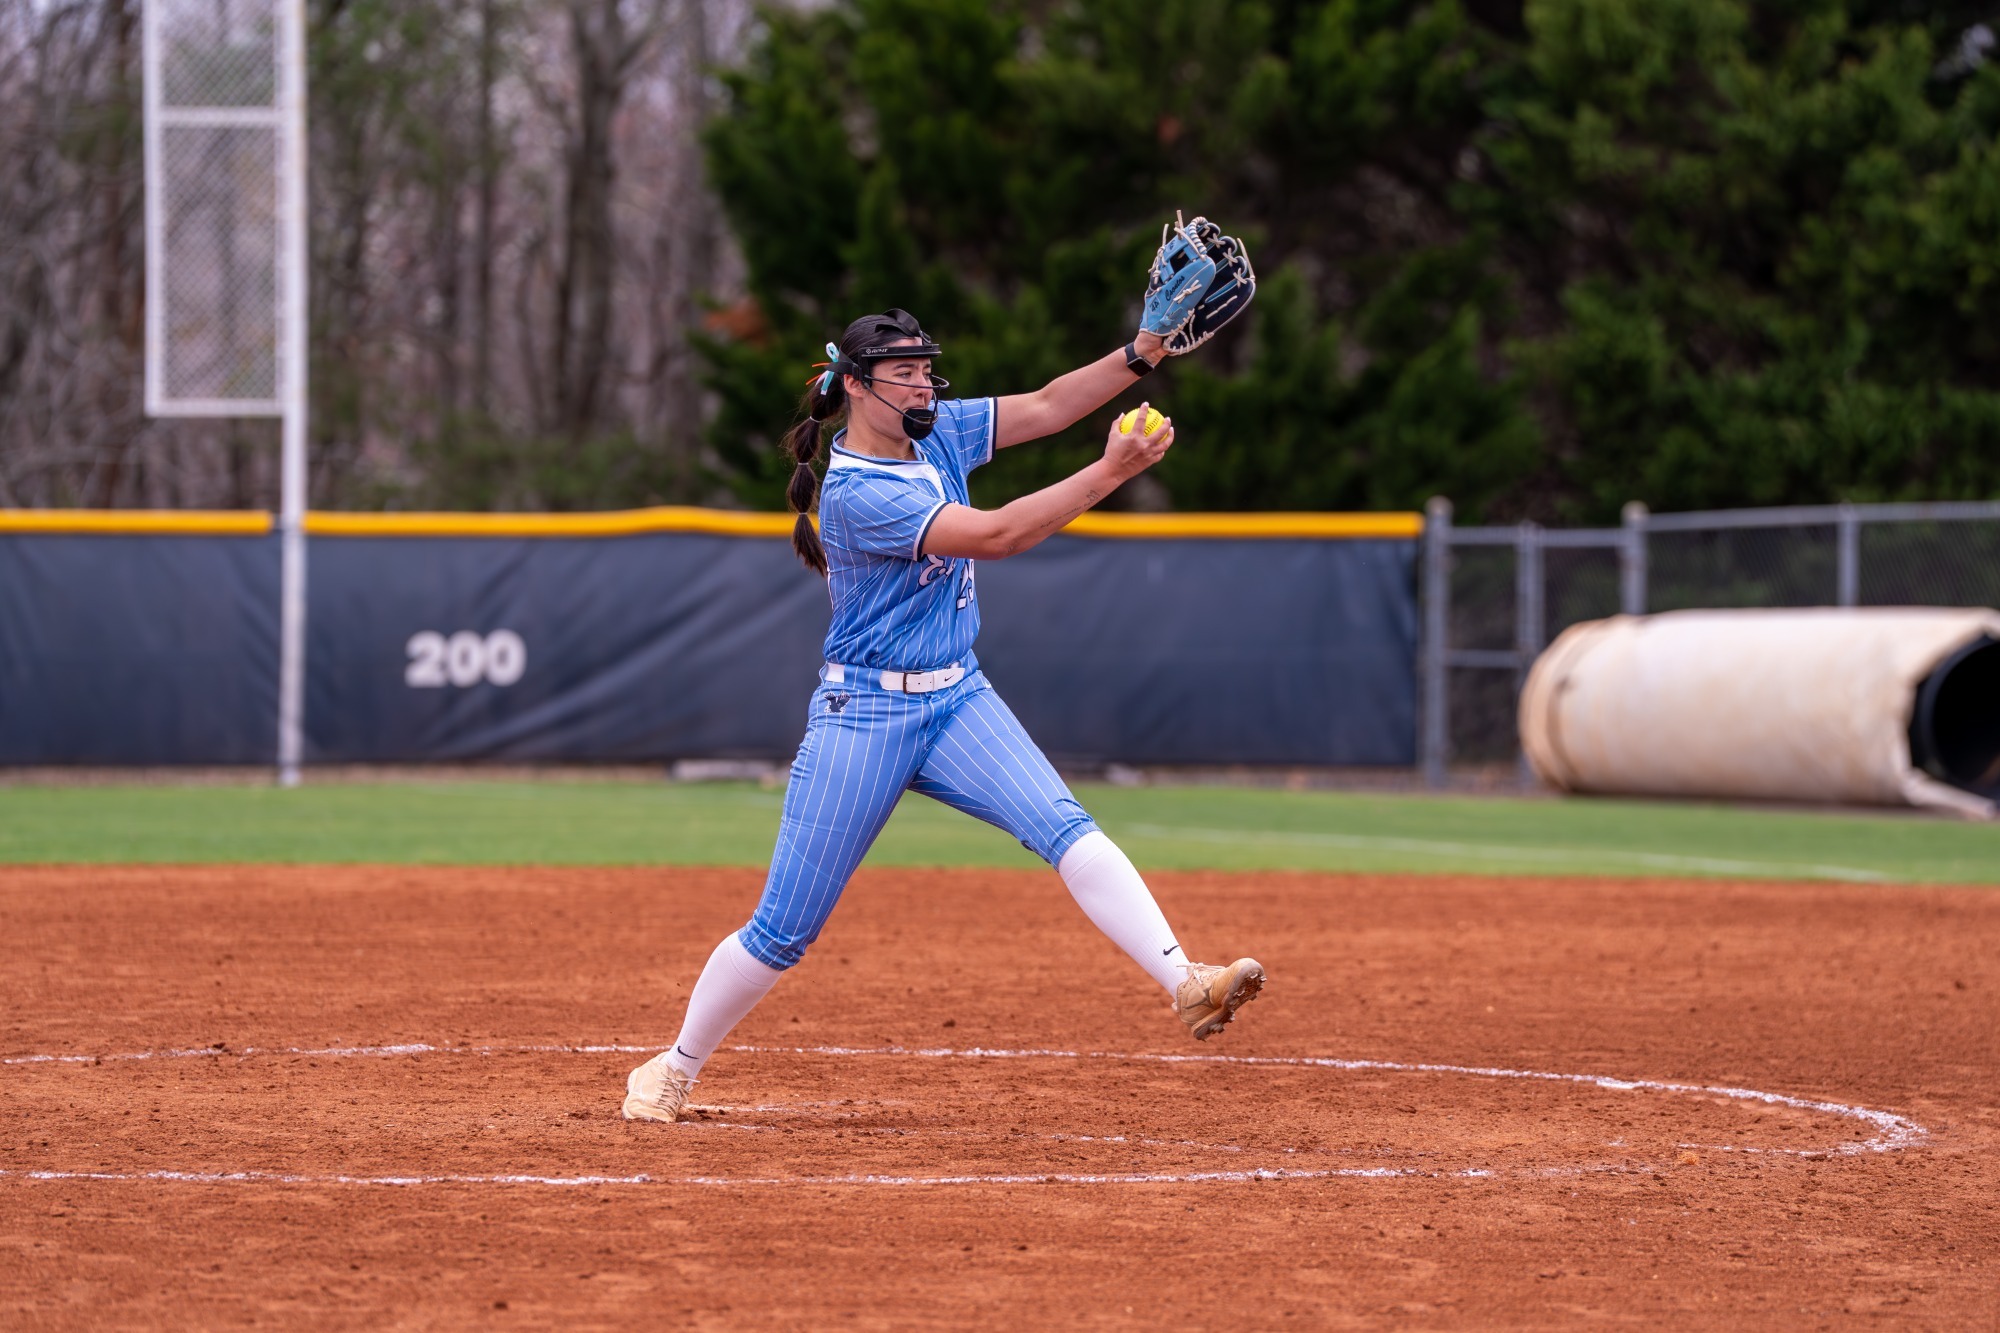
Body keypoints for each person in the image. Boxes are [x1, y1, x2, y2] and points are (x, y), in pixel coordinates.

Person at [623, 307, 1265, 1123]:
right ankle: (673, 1067)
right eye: (904, 372)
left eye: (928, 368)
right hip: (865, 714)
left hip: (957, 695)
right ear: (855, 385)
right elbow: (994, 535)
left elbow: (1047, 404)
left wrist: (1143, 352)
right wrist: (1111, 472)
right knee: (784, 930)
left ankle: (1185, 978)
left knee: (1065, 826)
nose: (924, 382)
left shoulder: (936, 432)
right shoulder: (857, 491)